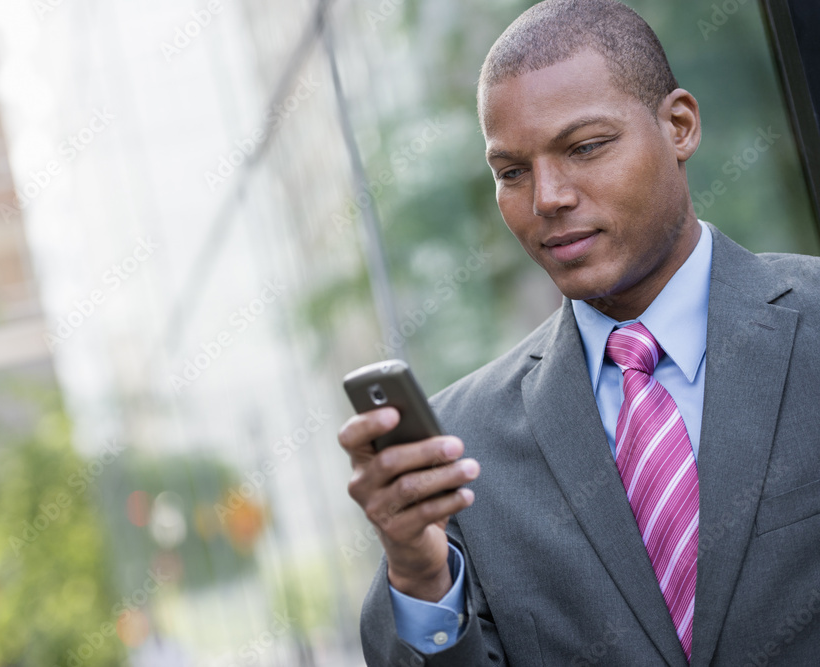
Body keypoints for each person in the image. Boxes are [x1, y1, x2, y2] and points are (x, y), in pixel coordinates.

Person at [337, 0, 820, 664]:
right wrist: (421, 577)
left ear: (679, 125)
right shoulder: (460, 449)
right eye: (511, 172)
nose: (548, 197)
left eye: (585, 147)